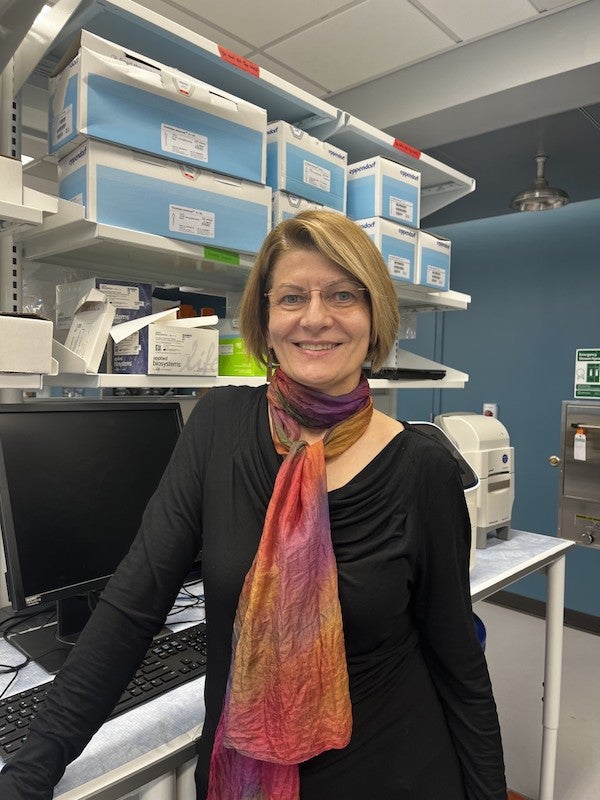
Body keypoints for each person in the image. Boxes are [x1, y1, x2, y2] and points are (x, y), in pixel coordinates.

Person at [0, 210, 507, 799]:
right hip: (241, 774)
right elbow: (130, 609)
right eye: (292, 297)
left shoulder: (423, 470)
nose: (315, 318)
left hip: (392, 771)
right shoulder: (218, 426)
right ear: (265, 322)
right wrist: (30, 773)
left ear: (374, 317)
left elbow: (459, 665)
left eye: (342, 295)